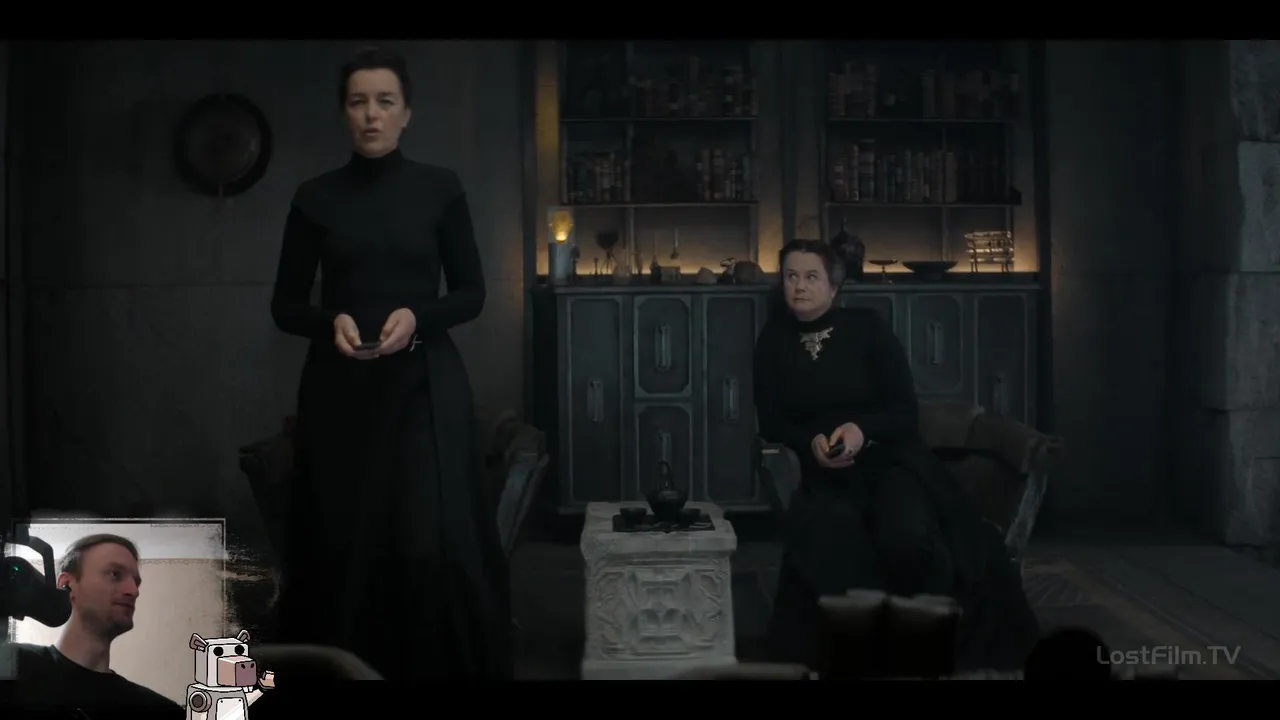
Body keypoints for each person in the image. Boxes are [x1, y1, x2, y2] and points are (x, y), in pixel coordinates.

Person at [269, 46, 512, 680]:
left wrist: (418, 317)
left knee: (425, 546)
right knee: (343, 549)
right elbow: (285, 306)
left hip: (424, 385)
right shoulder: (314, 197)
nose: (371, 115)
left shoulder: (439, 188)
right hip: (339, 390)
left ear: (407, 113)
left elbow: (472, 293)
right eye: (358, 102)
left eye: (385, 102)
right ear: (343, 114)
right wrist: (331, 322)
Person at [754, 239, 1039, 673]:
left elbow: (904, 411)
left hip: (890, 461)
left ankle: (927, 647)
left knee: (907, 539)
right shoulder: (772, 341)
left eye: (811, 277)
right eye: (791, 276)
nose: (799, 286)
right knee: (833, 543)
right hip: (826, 472)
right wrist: (811, 442)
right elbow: (773, 423)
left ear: (834, 286)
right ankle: (863, 657)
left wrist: (861, 430)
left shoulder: (867, 328)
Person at [9, 534, 183, 716]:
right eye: (115, 574)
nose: (133, 591)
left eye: (136, 582)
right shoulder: (13, 666)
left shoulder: (161, 712)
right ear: (67, 585)